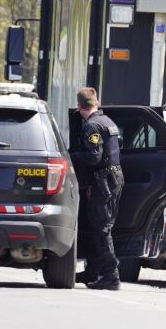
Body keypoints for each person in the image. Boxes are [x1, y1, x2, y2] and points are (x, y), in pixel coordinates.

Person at [70, 87, 124, 290]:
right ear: (96, 103)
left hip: (105, 180)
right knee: (97, 225)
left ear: (79, 106)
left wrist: (72, 156)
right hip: (113, 177)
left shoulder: (92, 126)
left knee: (101, 228)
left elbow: (94, 157)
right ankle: (93, 271)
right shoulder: (108, 122)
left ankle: (111, 276)